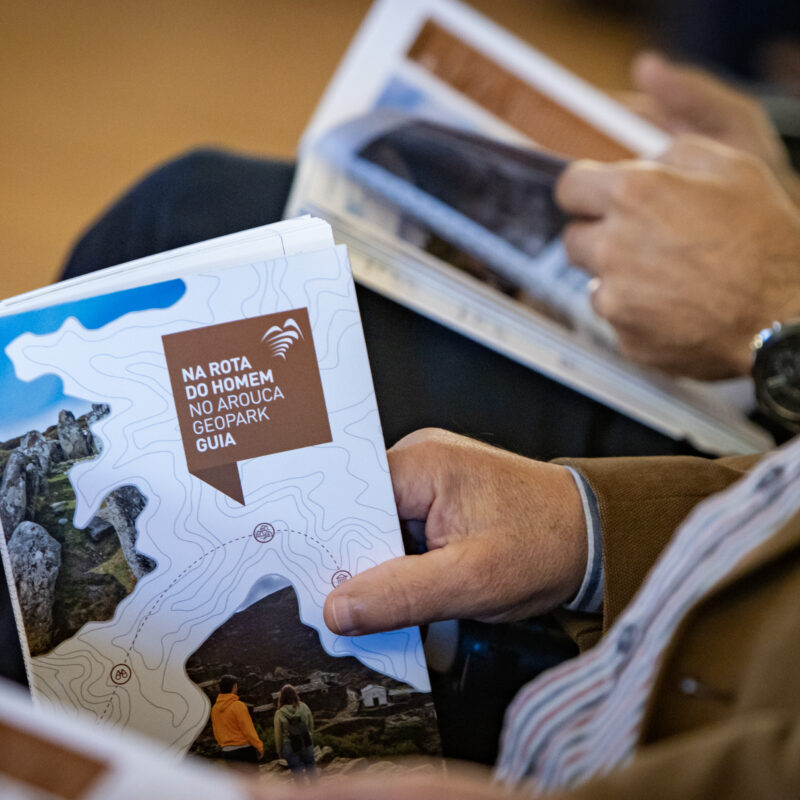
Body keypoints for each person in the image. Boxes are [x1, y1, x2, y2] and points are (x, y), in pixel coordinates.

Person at [210, 674, 264, 770]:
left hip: (227, 752)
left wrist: (224, 745)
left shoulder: (214, 709)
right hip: (244, 751)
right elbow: (248, 730)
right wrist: (259, 746)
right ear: (234, 687)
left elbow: (216, 731)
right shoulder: (238, 705)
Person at [273, 684, 316, 783]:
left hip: (289, 745)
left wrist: (279, 750)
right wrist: (310, 737)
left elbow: (278, 734)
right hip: (306, 741)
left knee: (297, 773)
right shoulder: (304, 707)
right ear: (295, 695)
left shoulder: (279, 713)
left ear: (282, 697)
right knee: (311, 769)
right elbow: (310, 724)